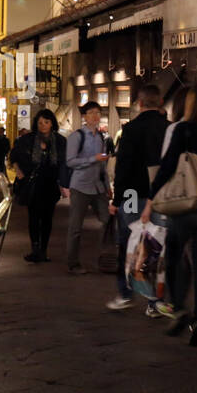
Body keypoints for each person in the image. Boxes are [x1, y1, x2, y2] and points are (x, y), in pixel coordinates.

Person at [141, 83, 197, 346]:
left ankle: (178, 307)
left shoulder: (182, 129)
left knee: (175, 256)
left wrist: (150, 198)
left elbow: (167, 167)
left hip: (187, 204)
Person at [106, 84, 170, 312]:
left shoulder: (130, 130)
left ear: (140, 104)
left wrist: (116, 200)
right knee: (158, 248)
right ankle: (157, 301)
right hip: (162, 196)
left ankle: (125, 292)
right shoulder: (169, 128)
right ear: (160, 102)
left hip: (132, 194)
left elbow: (123, 167)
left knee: (129, 246)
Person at [62, 102, 113, 276]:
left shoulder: (101, 137)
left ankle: (106, 259)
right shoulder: (76, 136)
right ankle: (73, 263)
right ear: (84, 116)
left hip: (98, 187)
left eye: (98, 113)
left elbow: (102, 165)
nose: (95, 116)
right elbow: (70, 161)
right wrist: (92, 159)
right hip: (80, 187)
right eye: (91, 113)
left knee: (108, 220)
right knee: (75, 227)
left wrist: (107, 186)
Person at [11, 108, 66, 262]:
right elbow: (13, 155)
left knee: (47, 218)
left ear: (52, 124)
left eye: (46, 122)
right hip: (32, 184)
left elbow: (64, 163)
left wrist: (64, 183)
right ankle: (35, 248)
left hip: (50, 185)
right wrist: (18, 170)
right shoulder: (27, 139)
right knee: (34, 217)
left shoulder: (60, 141)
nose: (43, 125)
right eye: (40, 122)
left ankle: (43, 250)